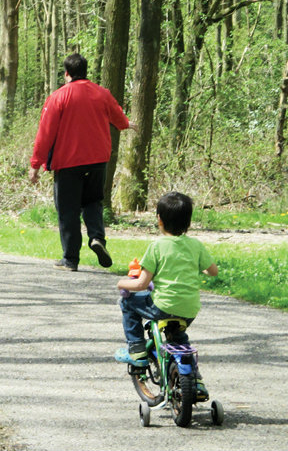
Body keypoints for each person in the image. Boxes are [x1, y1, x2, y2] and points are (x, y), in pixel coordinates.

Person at [29, 53, 137, 271]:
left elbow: (45, 133)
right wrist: (127, 124)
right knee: (93, 202)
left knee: (68, 210)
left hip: (68, 163)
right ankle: (97, 238)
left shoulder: (58, 97)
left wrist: (35, 165)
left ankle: (70, 259)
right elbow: (117, 118)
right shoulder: (102, 93)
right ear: (86, 71)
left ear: (67, 73)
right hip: (98, 161)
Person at [115, 191, 219, 398]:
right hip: (189, 309)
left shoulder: (157, 247)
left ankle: (136, 349)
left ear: (159, 220)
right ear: (188, 222)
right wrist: (199, 267)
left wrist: (121, 283)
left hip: (162, 306)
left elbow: (142, 283)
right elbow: (213, 271)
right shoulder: (196, 245)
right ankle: (195, 382)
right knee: (179, 339)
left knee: (127, 303)